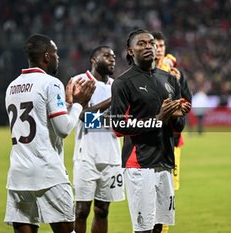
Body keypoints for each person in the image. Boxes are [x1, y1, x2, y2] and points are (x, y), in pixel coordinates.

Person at [4, 34, 95, 233]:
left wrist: (69, 104)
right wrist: (78, 105)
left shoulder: (12, 87)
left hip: (18, 174)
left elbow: (42, 119)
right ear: (46, 56)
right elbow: (63, 129)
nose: (58, 58)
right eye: (56, 54)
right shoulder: (51, 83)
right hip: (47, 172)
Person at [111, 29, 191, 233]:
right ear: (130, 51)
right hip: (140, 165)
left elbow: (177, 128)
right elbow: (118, 126)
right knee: (144, 229)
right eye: (141, 44)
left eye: (151, 43)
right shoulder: (123, 83)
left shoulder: (170, 79)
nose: (148, 46)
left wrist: (178, 116)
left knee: (159, 227)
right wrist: (158, 119)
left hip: (165, 161)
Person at [71, 46, 124, 233]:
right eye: (107, 56)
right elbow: (81, 117)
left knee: (102, 210)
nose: (112, 59)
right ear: (94, 59)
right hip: (86, 156)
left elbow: (120, 122)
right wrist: (111, 102)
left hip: (111, 156)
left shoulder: (117, 86)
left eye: (114, 56)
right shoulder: (79, 81)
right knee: (81, 210)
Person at [152, 31, 192, 233]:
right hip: (147, 140)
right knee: (147, 193)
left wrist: (176, 82)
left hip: (172, 141)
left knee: (167, 192)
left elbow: (187, 101)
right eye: (155, 45)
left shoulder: (175, 72)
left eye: (162, 46)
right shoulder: (142, 73)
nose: (159, 49)